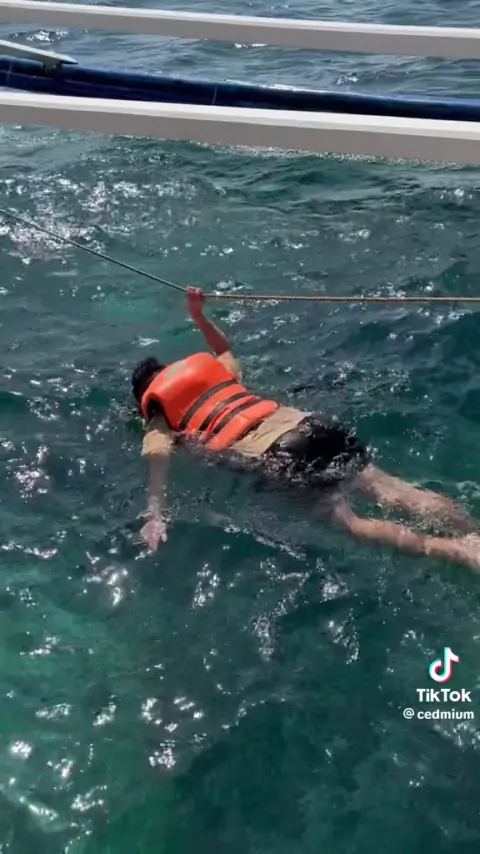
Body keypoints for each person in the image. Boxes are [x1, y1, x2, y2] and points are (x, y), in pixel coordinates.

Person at [132, 287, 480, 571]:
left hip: (279, 453)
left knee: (350, 523)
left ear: (144, 397)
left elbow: (158, 455)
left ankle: (460, 551)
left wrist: (155, 515)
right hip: (313, 424)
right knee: (391, 489)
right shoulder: (216, 373)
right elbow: (223, 348)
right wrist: (198, 316)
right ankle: (473, 533)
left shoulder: (159, 413)